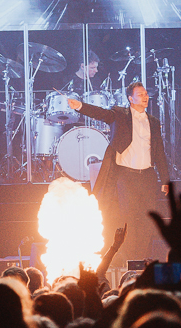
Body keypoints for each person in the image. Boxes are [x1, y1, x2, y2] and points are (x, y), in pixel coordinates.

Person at [67, 82, 171, 264]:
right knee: (127, 218)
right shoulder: (120, 114)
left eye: (146, 94)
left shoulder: (153, 121)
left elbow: (160, 152)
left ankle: (142, 259)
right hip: (126, 175)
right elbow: (101, 113)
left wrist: (165, 179)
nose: (145, 97)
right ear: (130, 99)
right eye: (140, 94)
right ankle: (129, 260)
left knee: (148, 219)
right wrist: (80, 106)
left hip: (147, 175)